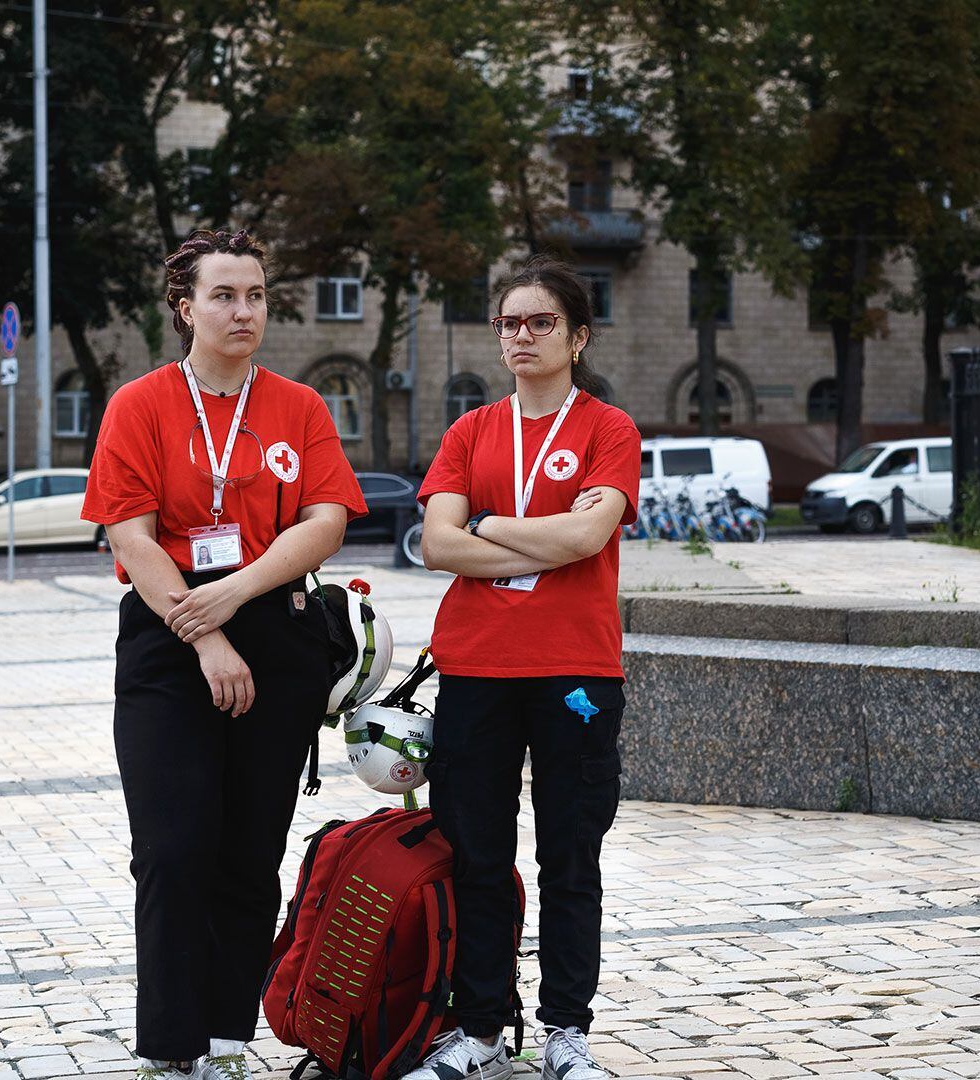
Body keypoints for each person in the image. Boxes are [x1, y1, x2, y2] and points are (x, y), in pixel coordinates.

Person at [80, 229, 368, 1080]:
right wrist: (205, 634)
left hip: (275, 633)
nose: (244, 311)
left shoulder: (298, 406)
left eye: (256, 295)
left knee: (249, 852)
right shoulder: (141, 404)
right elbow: (130, 534)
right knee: (172, 849)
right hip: (169, 640)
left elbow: (326, 521)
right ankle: (170, 1049)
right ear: (186, 309)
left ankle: (225, 1040)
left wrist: (236, 595)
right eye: (224, 296)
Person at [405, 256, 640, 1080]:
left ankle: (566, 1032)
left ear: (577, 337)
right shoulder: (470, 432)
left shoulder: (606, 429)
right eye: (509, 322)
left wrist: (490, 523)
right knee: (476, 857)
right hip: (476, 669)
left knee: (570, 856)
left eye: (540, 322)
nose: (521, 336)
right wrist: (529, 529)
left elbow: (586, 541)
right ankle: (480, 1030)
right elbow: (437, 543)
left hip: (575, 672)